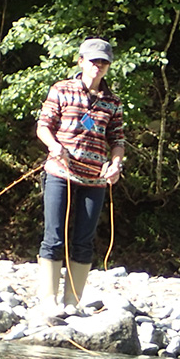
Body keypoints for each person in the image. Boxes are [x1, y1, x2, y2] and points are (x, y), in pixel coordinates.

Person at [35, 37, 127, 315]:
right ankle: (48, 300)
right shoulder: (61, 89)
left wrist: (116, 164)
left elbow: (117, 140)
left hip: (95, 179)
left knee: (84, 241)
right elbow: (43, 126)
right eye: (94, 60)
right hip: (59, 171)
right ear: (81, 61)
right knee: (54, 236)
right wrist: (54, 146)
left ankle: (72, 302)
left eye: (104, 62)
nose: (98, 66)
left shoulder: (113, 102)